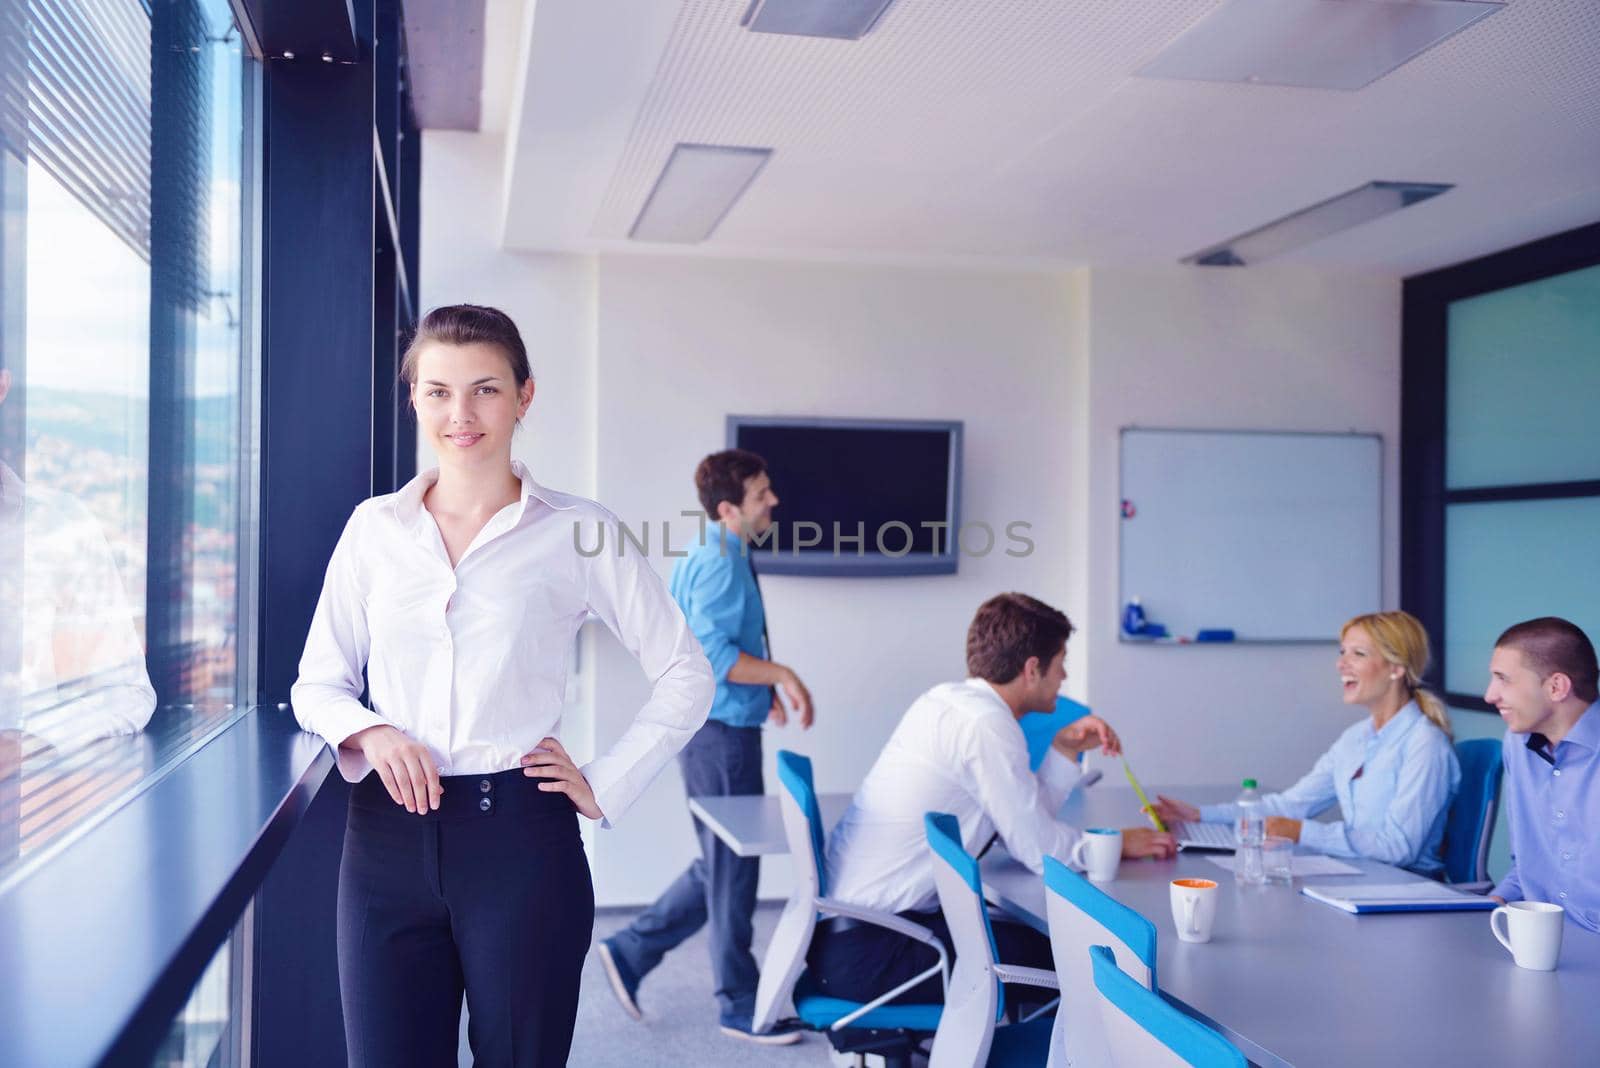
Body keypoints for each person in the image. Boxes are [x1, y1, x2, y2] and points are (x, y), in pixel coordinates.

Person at [290, 304, 714, 1068]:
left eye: (485, 389)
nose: (461, 414)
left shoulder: (580, 531)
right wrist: (372, 731)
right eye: (439, 390)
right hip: (384, 843)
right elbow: (316, 683)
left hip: (522, 842)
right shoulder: (373, 531)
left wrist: (605, 782)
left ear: (524, 396)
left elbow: (686, 671)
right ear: (414, 397)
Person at [806, 592, 1175, 1007]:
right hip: (876, 952)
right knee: (1091, 962)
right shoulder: (987, 725)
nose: (1064, 676)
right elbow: (1039, 851)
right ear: (1032, 669)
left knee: (1043, 943)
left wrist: (1063, 750)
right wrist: (1114, 843)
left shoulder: (946, 701)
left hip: (850, 937)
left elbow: (1022, 822)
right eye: (1060, 664)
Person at [597, 448, 814, 1045]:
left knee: (722, 859)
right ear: (728, 507)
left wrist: (760, 686)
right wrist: (781, 675)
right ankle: (737, 1003)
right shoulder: (720, 561)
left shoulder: (720, 551)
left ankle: (631, 949)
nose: (774, 500)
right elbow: (715, 657)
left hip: (722, 723)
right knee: (733, 866)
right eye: (762, 493)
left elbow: (714, 647)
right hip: (720, 735)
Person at [1155, 610, 1460, 876]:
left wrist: (1302, 832)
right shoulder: (1355, 739)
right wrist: (1200, 815)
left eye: (1358, 654)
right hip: (1363, 877)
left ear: (1396, 668)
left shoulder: (1425, 745)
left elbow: (1398, 848)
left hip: (1407, 890)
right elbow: (1290, 805)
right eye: (1342, 652)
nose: (1342, 664)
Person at [1486, 617, 1600, 931]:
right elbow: (1530, 866)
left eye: (1503, 679)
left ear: (1556, 687)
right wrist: (1492, 904)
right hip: (1539, 938)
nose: (1490, 695)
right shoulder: (1518, 744)